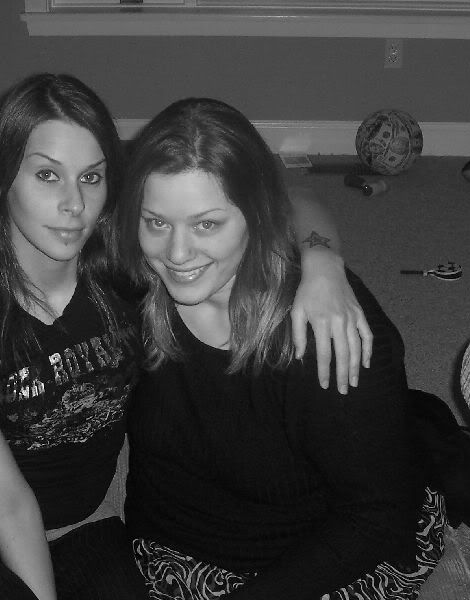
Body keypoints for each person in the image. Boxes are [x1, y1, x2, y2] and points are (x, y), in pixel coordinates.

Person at [0, 73, 372, 600]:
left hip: (86, 524)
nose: (74, 203)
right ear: (1, 178)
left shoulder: (131, 278)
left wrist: (323, 264)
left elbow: (294, 197)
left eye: (91, 177)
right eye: (48, 175)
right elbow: (8, 501)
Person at [115, 97, 446, 600]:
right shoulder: (135, 282)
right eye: (156, 222)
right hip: (171, 553)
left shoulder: (325, 330)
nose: (176, 254)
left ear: (257, 215)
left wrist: (323, 262)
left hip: (316, 566)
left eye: (207, 224)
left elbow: (377, 517)